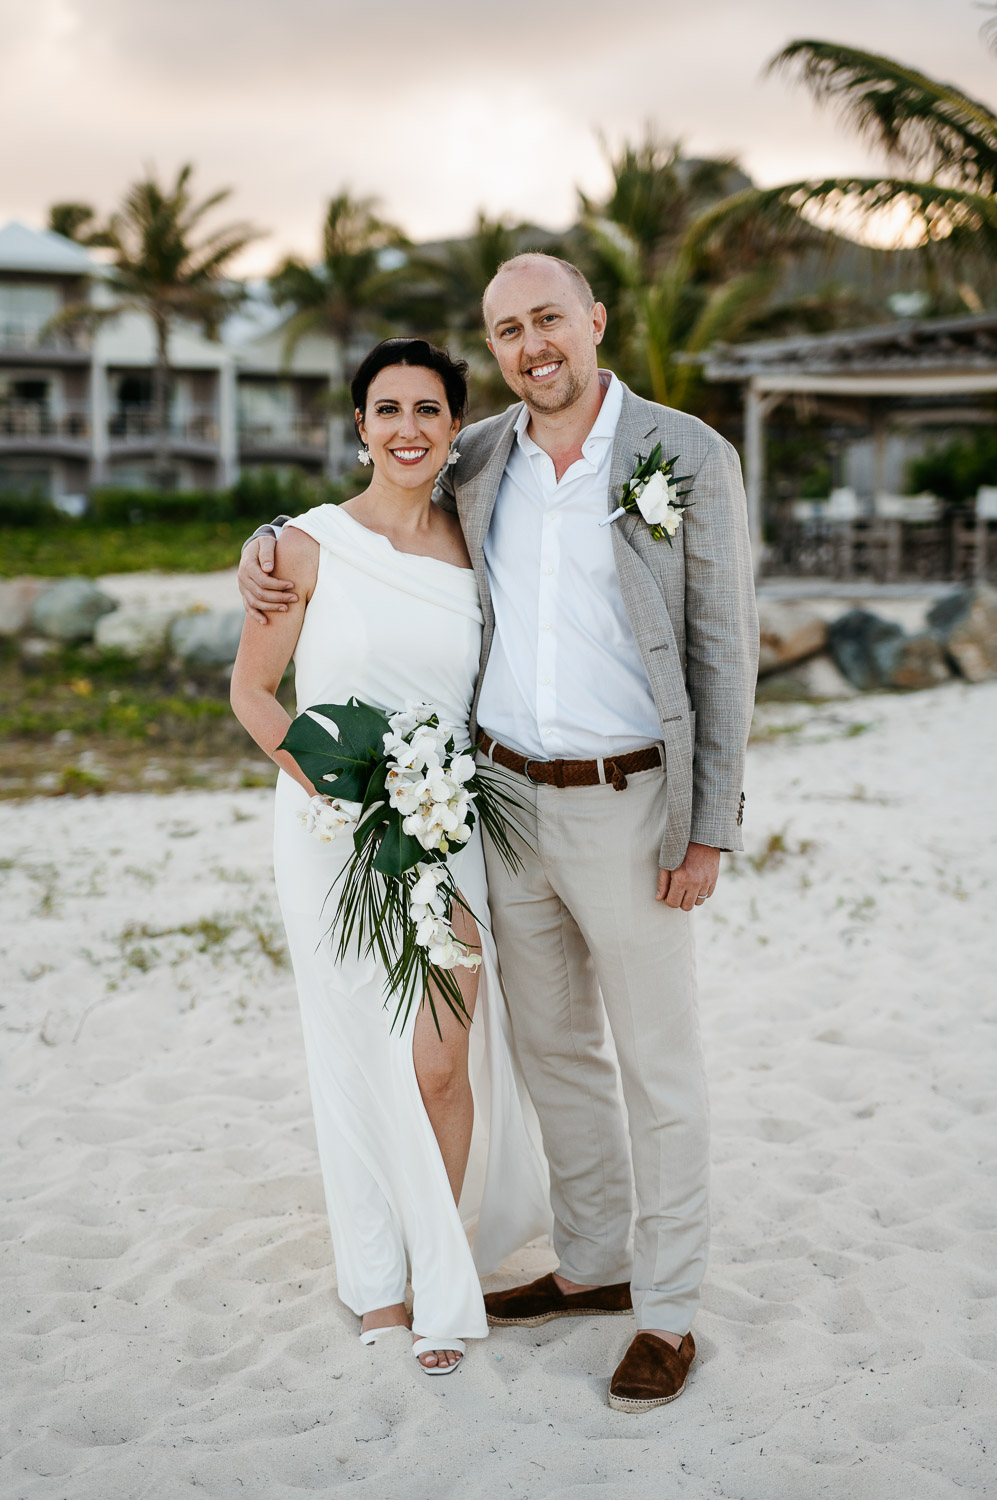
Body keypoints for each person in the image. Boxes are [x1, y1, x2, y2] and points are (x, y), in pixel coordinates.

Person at [239, 254, 759, 1411]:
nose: (534, 344)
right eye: (509, 328)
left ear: (594, 322)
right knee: (551, 1053)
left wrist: (706, 829)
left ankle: (665, 1313)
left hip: (633, 807)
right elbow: (375, 494)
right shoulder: (484, 458)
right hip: (501, 811)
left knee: (658, 1066)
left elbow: (725, 652)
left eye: (549, 321)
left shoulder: (683, 454)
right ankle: (590, 1265)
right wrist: (265, 540)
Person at [230, 337, 550, 1377]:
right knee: (360, 1055)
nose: (407, 427)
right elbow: (254, 695)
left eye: (427, 409)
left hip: (448, 821)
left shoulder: (479, 545)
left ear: (455, 428)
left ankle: (441, 1256)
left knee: (441, 1055)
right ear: (360, 426)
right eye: (386, 409)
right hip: (332, 826)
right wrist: (333, 786)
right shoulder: (304, 548)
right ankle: (382, 1282)